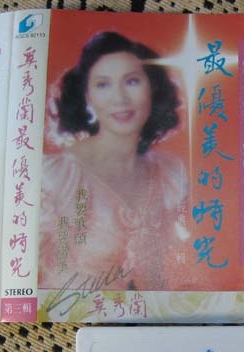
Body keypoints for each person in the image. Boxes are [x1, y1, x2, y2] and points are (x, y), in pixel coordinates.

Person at [38, 31, 189, 293]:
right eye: (103, 85)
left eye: (132, 81)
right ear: (87, 96)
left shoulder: (170, 174)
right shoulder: (54, 177)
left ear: (152, 88)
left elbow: (168, 269)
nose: (119, 99)